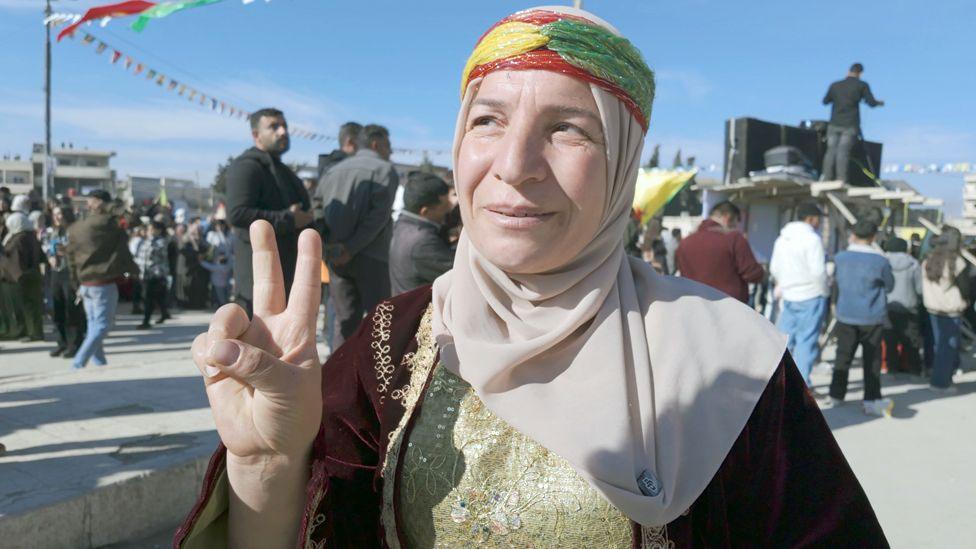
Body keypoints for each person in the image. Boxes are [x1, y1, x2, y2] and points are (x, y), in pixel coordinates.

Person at [176, 8, 886, 548]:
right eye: (488, 120)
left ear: (622, 168)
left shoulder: (727, 362)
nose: (514, 164)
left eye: (569, 129)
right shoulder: (395, 341)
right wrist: (267, 463)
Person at [317, 124, 399, 348]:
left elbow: (317, 210)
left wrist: (331, 247)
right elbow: (378, 218)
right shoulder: (384, 170)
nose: (390, 151)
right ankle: (378, 379)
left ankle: (340, 378)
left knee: (344, 323)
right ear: (375, 144)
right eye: (388, 145)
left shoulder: (333, 171)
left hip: (337, 259)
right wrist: (350, 248)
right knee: (380, 322)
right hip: (371, 257)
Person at [226, 107, 313, 316]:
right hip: (258, 278)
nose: (282, 132)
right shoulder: (247, 166)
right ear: (256, 135)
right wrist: (288, 218)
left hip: (287, 272)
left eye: (284, 126)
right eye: (274, 126)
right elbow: (238, 213)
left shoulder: (283, 171)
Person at [828, 221, 894, 416]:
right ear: (873, 237)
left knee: (843, 356)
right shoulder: (880, 261)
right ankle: (871, 400)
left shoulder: (840, 258)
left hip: (846, 314)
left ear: (853, 235)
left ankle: (836, 395)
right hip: (872, 316)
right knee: (872, 360)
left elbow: (836, 282)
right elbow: (889, 286)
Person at [66, 190, 138, 370]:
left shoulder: (76, 226)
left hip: (85, 284)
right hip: (103, 283)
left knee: (93, 325)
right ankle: (78, 362)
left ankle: (100, 362)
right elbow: (133, 220)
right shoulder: (109, 224)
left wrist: (75, 281)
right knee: (103, 326)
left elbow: (71, 257)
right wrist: (114, 206)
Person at [770, 202, 829, 385]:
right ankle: (801, 385)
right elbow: (818, 272)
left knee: (784, 342)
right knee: (806, 342)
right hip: (811, 295)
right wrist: (824, 291)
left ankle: (776, 382)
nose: (819, 224)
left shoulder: (782, 238)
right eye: (818, 220)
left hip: (789, 296)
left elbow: (774, 268)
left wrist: (786, 285)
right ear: (811, 219)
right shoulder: (813, 239)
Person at [674, 201, 764, 302]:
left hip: (694, 306)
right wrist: (763, 270)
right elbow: (752, 274)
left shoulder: (684, 243)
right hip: (729, 308)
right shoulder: (733, 239)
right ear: (727, 217)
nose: (735, 228)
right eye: (734, 224)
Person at [389, 172, 457, 295]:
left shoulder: (402, 224)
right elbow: (459, 273)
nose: (449, 208)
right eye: (445, 206)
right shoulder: (422, 242)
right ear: (424, 211)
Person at [921, 227, 969, 393]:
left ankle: (938, 375)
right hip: (950, 309)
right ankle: (940, 383)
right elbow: (965, 288)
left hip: (932, 308)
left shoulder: (929, 259)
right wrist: (966, 302)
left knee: (938, 344)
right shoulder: (957, 262)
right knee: (947, 347)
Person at [821, 63, 884, 182]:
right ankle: (841, 179)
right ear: (860, 73)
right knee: (843, 152)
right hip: (850, 124)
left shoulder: (835, 85)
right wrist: (879, 103)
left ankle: (826, 177)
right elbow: (871, 102)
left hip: (834, 124)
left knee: (831, 151)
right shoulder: (862, 85)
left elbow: (825, 101)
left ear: (848, 71)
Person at [0, 196, 45, 342]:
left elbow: (16, 260)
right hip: (28, 276)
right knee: (29, 307)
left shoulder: (20, 238)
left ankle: (32, 333)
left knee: (28, 308)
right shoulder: (26, 235)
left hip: (22, 277)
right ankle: (29, 332)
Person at [43, 205, 86, 356]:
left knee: (71, 309)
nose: (57, 217)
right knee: (58, 309)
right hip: (56, 272)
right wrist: (50, 256)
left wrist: (67, 251)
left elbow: (81, 250)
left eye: (60, 214)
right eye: (54, 214)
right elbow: (47, 247)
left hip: (71, 273)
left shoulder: (75, 231)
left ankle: (75, 343)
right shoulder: (51, 232)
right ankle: (62, 342)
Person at [884, 237, 923, 375]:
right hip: (909, 308)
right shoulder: (913, 264)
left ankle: (892, 369)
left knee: (890, 341)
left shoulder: (883, 262)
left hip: (888, 307)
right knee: (911, 341)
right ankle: (914, 370)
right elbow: (919, 288)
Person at [134, 221, 171, 329]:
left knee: (149, 298)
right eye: (149, 229)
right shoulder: (145, 241)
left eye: (152, 229)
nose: (149, 231)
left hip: (156, 274)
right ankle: (164, 313)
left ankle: (146, 321)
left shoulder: (161, 242)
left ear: (158, 230)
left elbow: (157, 253)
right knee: (157, 297)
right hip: (145, 274)